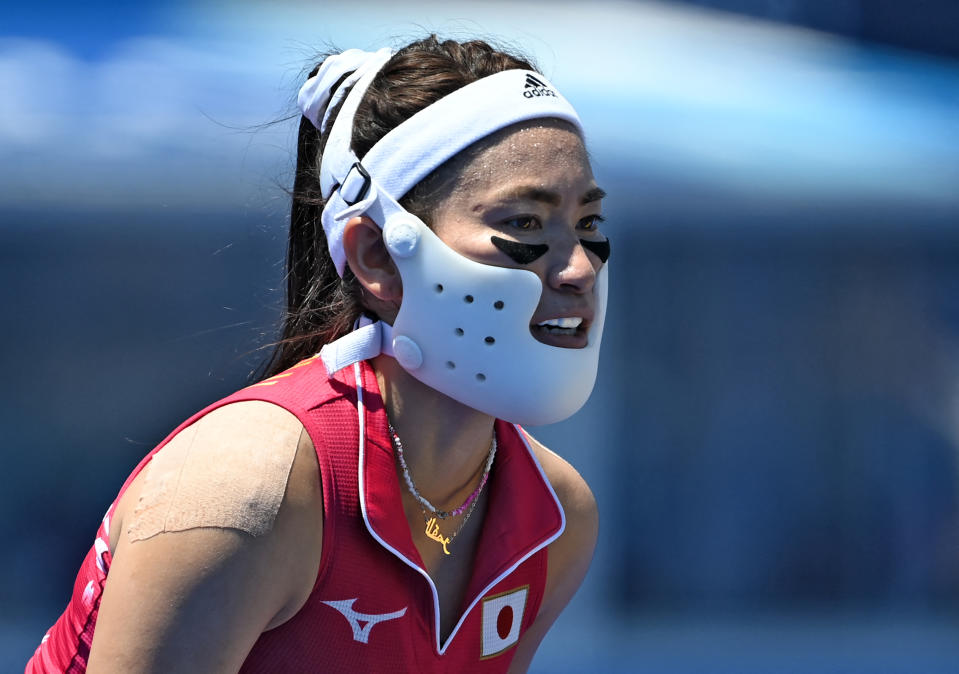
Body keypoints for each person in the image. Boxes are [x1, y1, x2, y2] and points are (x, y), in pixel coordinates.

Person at [27, 35, 608, 673]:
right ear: (377, 256)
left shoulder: (556, 518)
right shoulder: (247, 486)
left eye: (588, 225)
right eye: (525, 223)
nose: (579, 269)